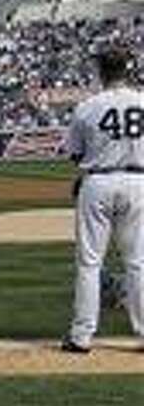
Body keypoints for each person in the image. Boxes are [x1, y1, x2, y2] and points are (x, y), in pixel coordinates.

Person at [61, 46, 143, 353]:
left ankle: (81, 336)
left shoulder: (87, 106)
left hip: (98, 181)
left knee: (89, 262)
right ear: (127, 69)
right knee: (137, 262)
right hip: (138, 180)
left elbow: (76, 155)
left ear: (101, 72)